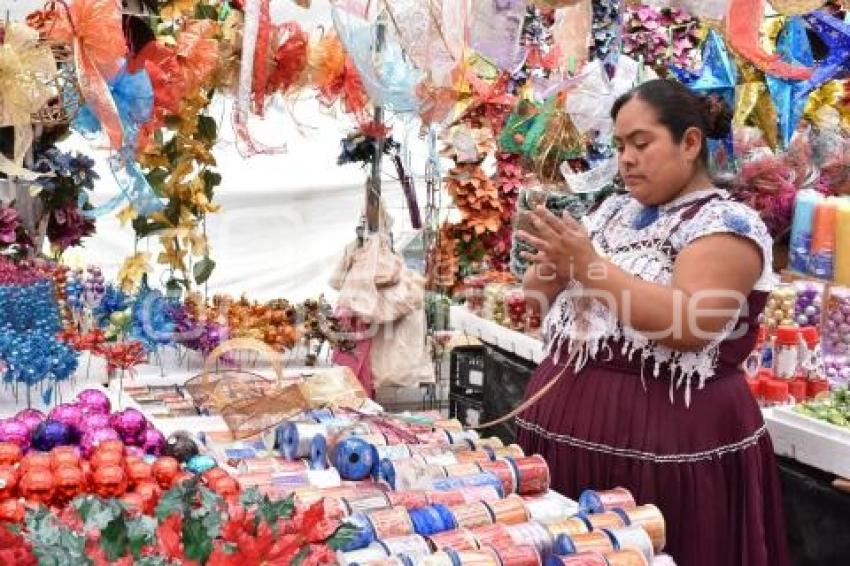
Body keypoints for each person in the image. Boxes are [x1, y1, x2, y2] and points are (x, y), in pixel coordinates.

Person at [515, 79, 788, 566]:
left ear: (689, 142)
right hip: (566, 437)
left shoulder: (726, 225)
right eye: (620, 146)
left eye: (642, 144)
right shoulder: (611, 210)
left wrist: (586, 265)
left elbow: (688, 324)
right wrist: (551, 266)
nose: (626, 159)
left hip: (661, 449)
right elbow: (538, 302)